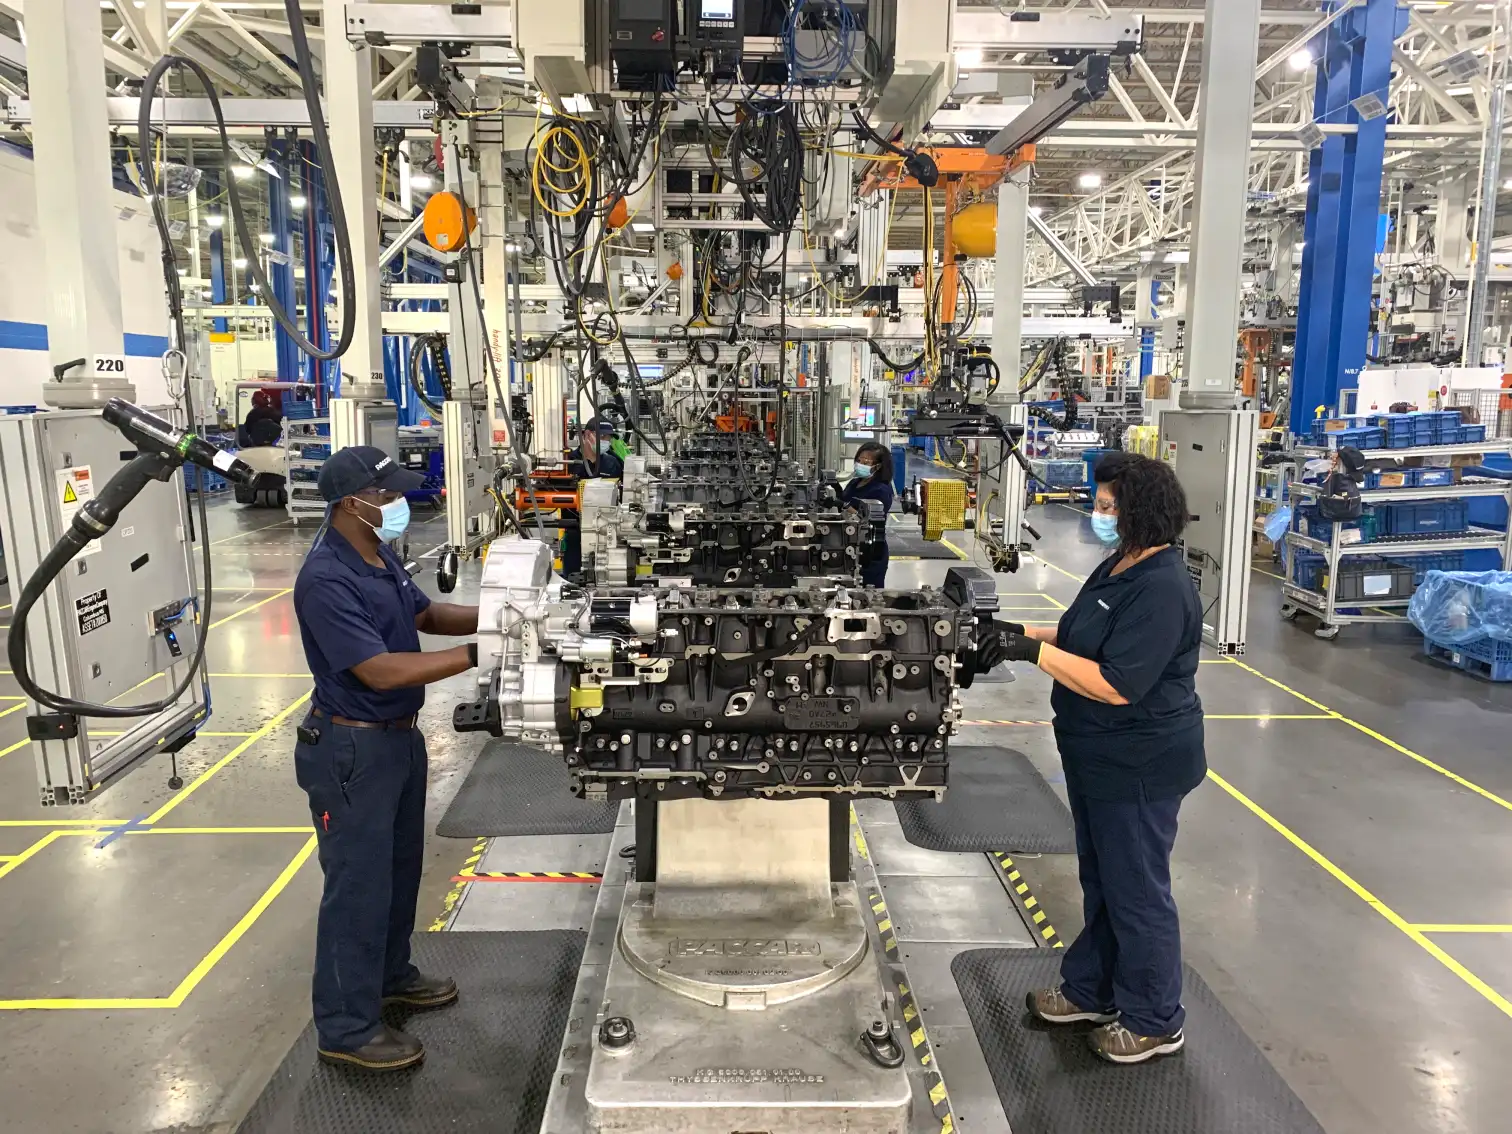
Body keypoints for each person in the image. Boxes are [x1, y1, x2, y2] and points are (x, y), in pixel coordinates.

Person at [977, 452, 1204, 1065]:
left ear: (1141, 511)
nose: (1098, 514)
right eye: (1098, 503)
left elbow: (1117, 681)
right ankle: (1093, 989)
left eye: (1108, 506)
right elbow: (1080, 635)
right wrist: (1009, 632)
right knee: (1103, 881)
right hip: (1098, 757)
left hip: (1140, 763)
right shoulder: (1121, 564)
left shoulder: (1161, 587)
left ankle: (1155, 1019)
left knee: (1137, 890)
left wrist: (1027, 652)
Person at [292, 446, 481, 1071]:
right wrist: (483, 657)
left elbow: (428, 615)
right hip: (351, 750)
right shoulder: (326, 577)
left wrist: (508, 620)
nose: (400, 503)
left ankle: (391, 976)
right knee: (357, 885)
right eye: (388, 494)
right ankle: (345, 1028)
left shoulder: (378, 554)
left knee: (400, 870)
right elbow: (379, 671)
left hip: (396, 740)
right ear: (354, 503)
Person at [561, 415, 625, 577]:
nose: (607, 441)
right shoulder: (568, 463)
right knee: (574, 579)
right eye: (602, 436)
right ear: (587, 434)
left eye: (609, 438)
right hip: (576, 531)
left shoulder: (613, 463)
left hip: (608, 532)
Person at [841, 442, 894, 587]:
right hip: (850, 544)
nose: (860, 464)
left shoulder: (881, 490)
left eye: (865, 462)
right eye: (858, 460)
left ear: (878, 466)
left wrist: (844, 506)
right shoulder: (856, 482)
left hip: (870, 551)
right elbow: (844, 498)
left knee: (868, 596)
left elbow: (867, 518)